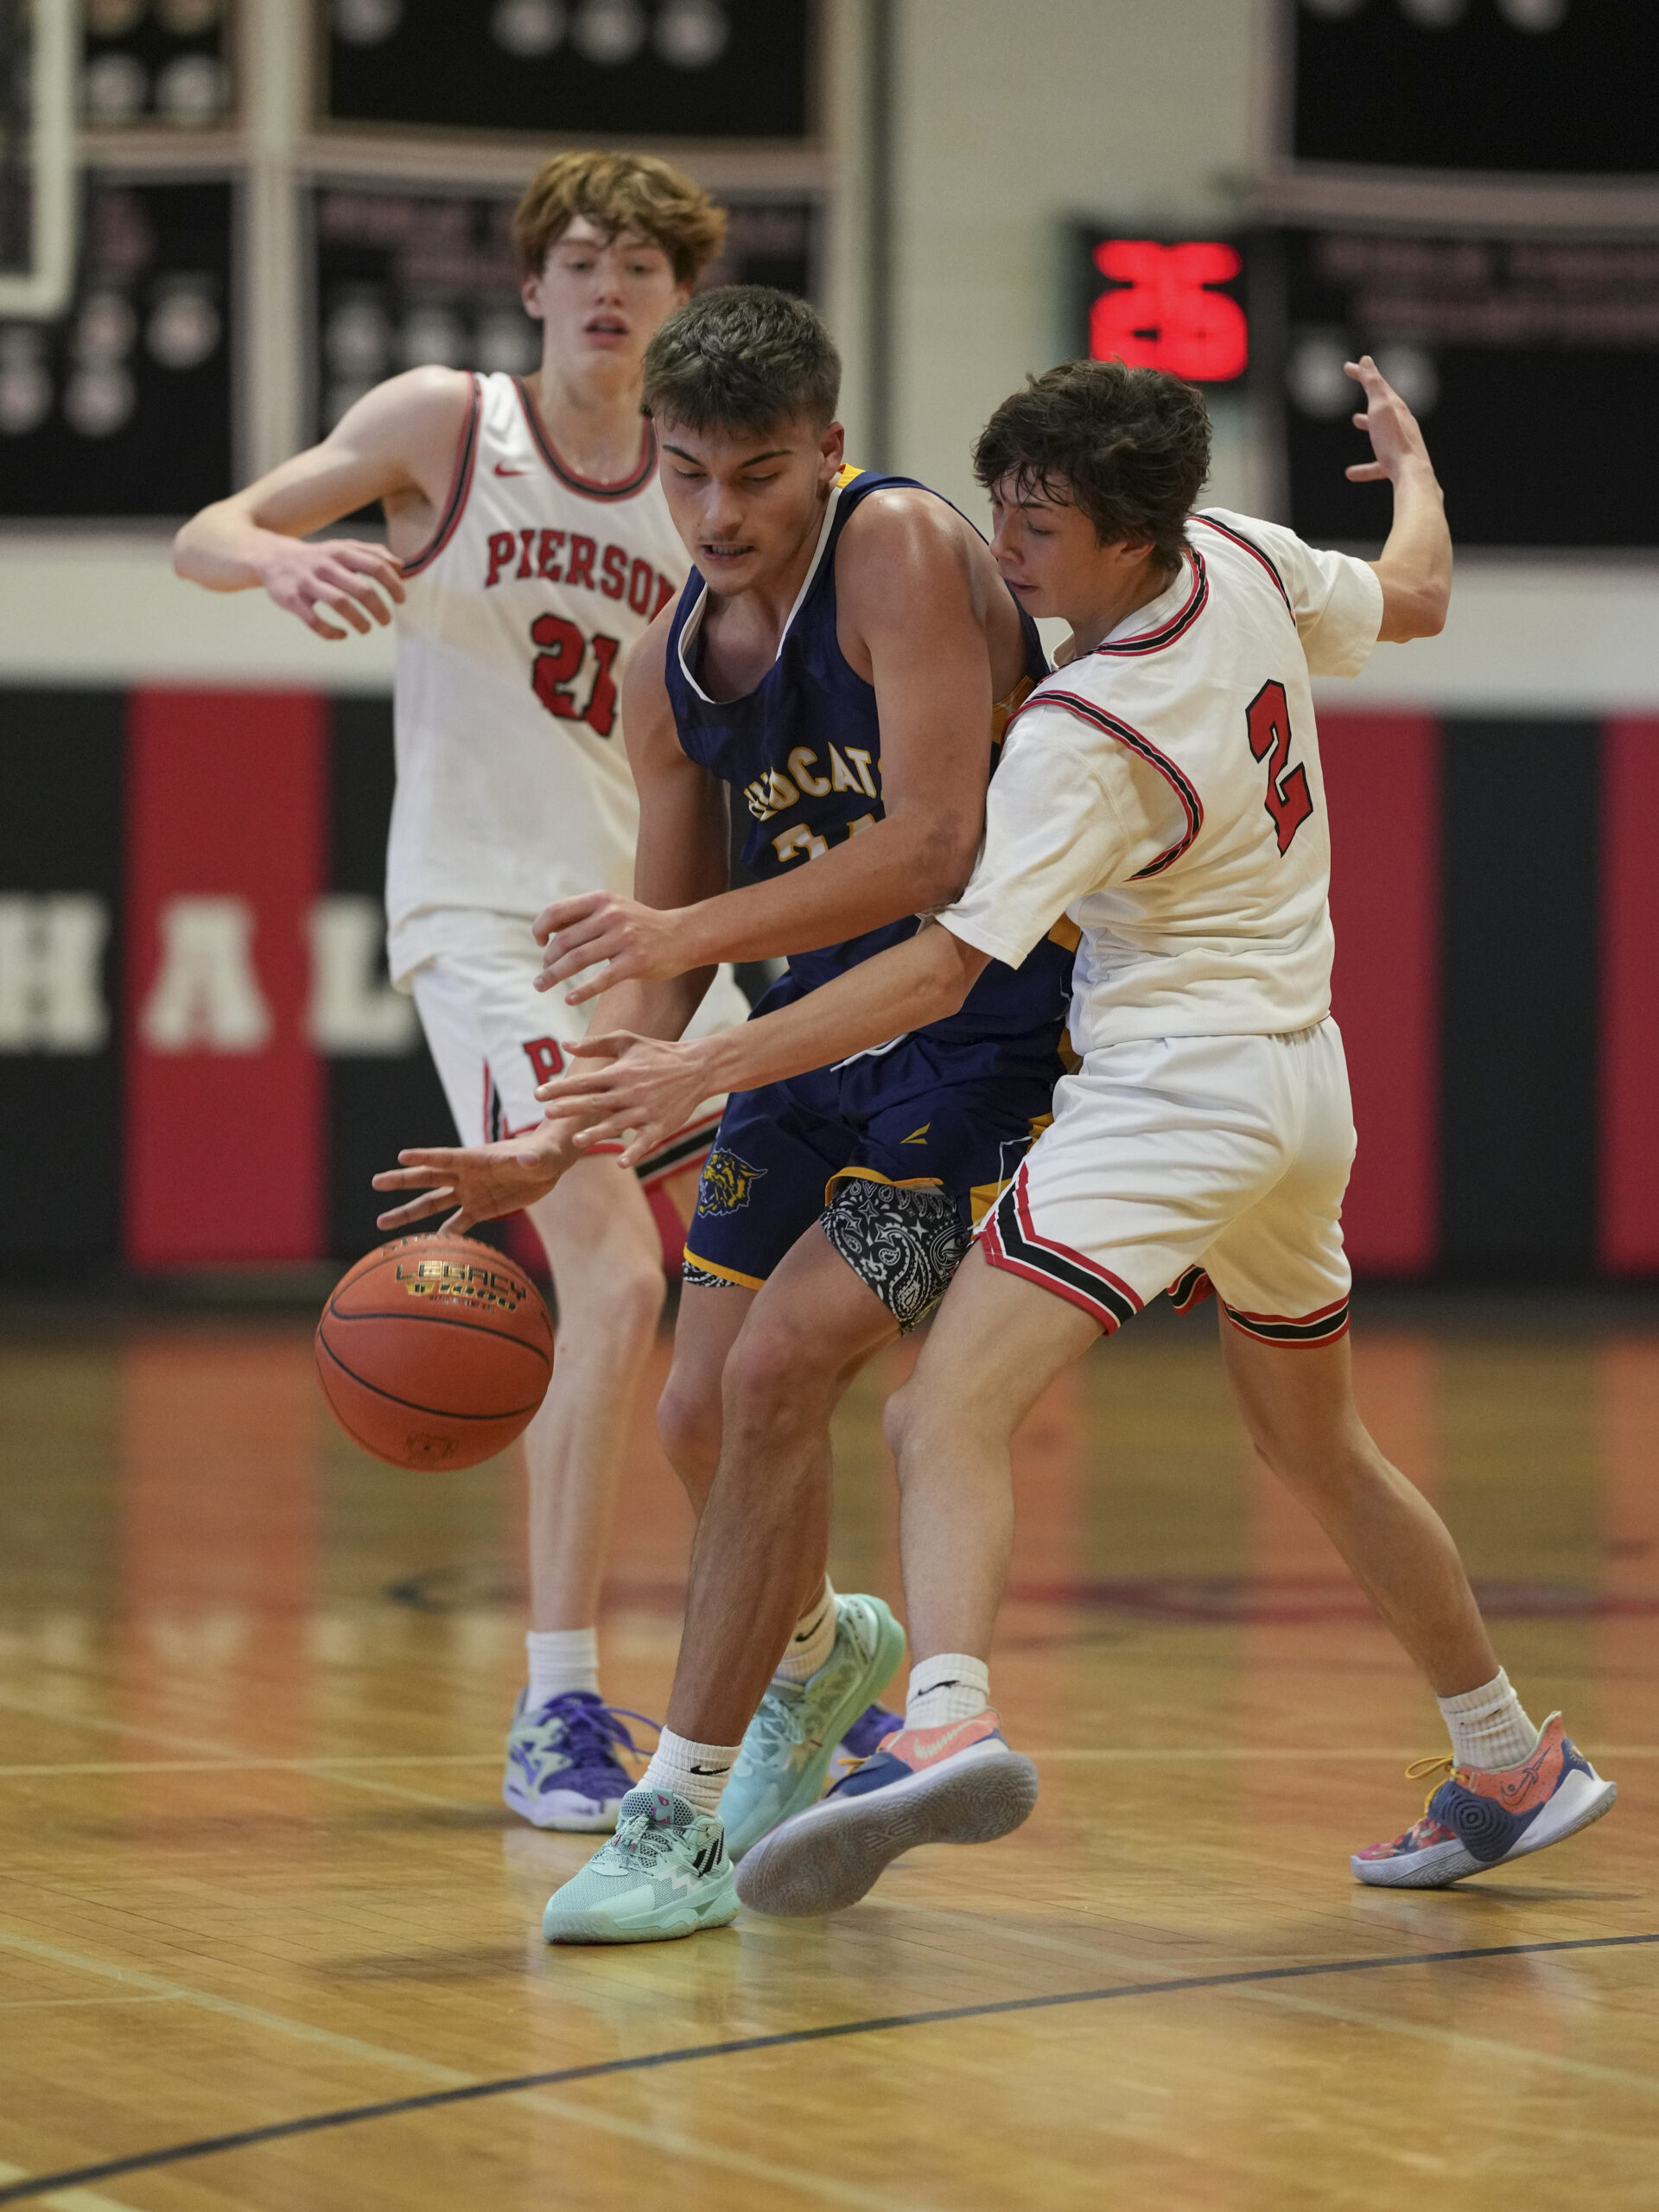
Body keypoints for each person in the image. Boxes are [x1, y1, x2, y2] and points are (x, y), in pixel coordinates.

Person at [535, 353, 1618, 1929]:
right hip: (1308, 1088)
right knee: (1318, 1445)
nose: (1004, 554)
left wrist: (693, 1077)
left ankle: (948, 1724)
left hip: (1174, 1094)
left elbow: (935, 965)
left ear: (1126, 537)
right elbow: (1420, 595)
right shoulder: (1242, 550)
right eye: (1000, 513)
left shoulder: (1082, 731)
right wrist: (1423, 478)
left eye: (1036, 531)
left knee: (938, 1416)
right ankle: (1510, 1759)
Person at [373, 286, 1078, 1942]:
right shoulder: (663, 666)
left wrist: (682, 950)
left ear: (829, 452)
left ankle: (678, 1815)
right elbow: (654, 980)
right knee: (696, 1419)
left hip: (982, 1040)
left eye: (761, 475)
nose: (721, 515)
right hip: (802, 1047)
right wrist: (550, 1140)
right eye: (688, 478)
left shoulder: (896, 547)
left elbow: (933, 855)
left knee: (774, 1379)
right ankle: (825, 1658)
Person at [172, 151, 766, 1834]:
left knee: (767, 1309)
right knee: (611, 1275)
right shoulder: (451, 421)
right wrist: (278, 564)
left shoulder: (709, 485)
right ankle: (557, 1705)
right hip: (485, 925)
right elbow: (208, 528)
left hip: (655, 938)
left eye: (646, 261)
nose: (612, 281)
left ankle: (787, 1674)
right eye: (584, 254)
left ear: (680, 296)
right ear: (533, 286)